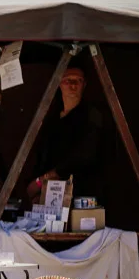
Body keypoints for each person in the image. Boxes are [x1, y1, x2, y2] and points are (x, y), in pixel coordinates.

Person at [27, 66, 106, 204]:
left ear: (84, 85)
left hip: (81, 195)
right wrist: (38, 186)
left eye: (78, 81)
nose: (73, 85)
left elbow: (85, 154)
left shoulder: (92, 116)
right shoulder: (52, 119)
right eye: (68, 80)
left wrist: (44, 179)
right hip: (49, 196)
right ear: (59, 84)